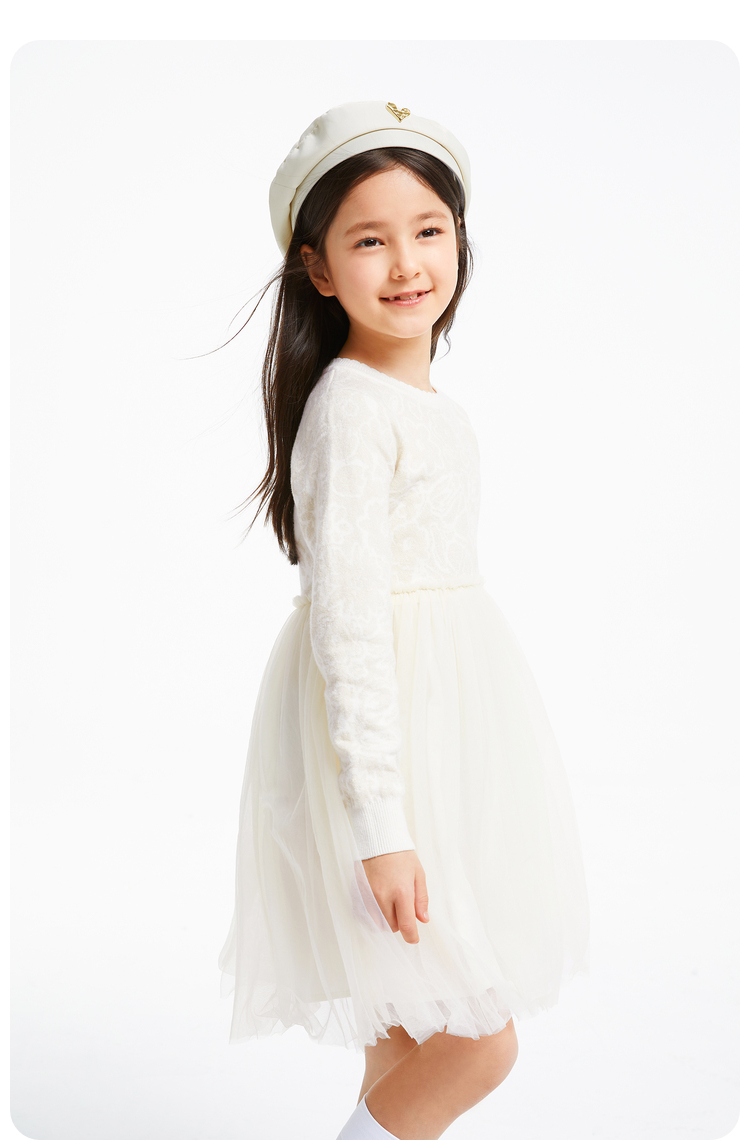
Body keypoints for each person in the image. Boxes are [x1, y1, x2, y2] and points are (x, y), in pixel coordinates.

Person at [217, 100, 590, 1140]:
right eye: (369, 241)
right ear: (319, 269)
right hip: (385, 758)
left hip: (445, 739)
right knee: (478, 1041)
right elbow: (347, 624)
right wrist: (381, 828)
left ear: (460, 238)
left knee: (406, 1035)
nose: (408, 263)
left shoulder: (429, 407)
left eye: (428, 230)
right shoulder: (350, 407)